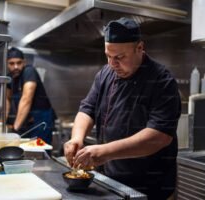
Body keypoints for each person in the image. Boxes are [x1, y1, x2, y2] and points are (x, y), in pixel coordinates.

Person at [63, 17, 181, 200]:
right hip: (112, 183)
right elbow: (87, 108)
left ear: (140, 48)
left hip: (150, 189)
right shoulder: (105, 74)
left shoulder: (161, 81)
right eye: (108, 56)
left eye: (119, 57)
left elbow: (159, 136)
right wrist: (76, 139)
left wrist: (104, 152)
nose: (112, 64)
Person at [6, 47, 55, 144]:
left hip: (41, 120)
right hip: (28, 120)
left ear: (24, 62)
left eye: (19, 63)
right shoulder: (10, 77)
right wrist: (3, 122)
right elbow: (6, 99)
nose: (16, 66)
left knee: (40, 150)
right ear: (7, 63)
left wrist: (15, 128)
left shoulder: (29, 71)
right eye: (12, 63)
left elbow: (26, 99)